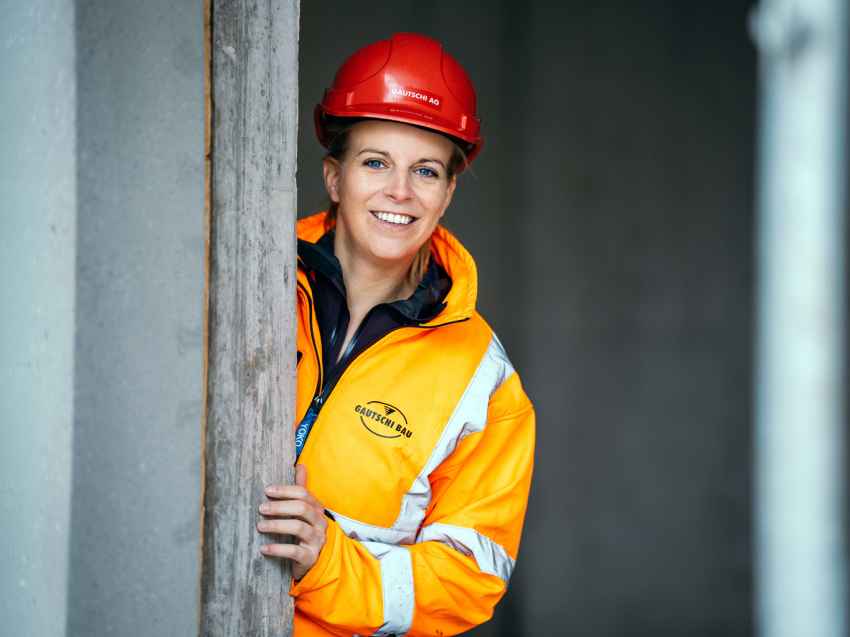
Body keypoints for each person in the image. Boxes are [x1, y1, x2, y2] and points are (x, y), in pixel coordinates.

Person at [256, 33, 535, 637]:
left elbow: (465, 582)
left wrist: (328, 564)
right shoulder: (244, 286)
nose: (400, 191)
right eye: (376, 162)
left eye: (425, 171)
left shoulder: (485, 384)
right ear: (335, 177)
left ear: (447, 193)